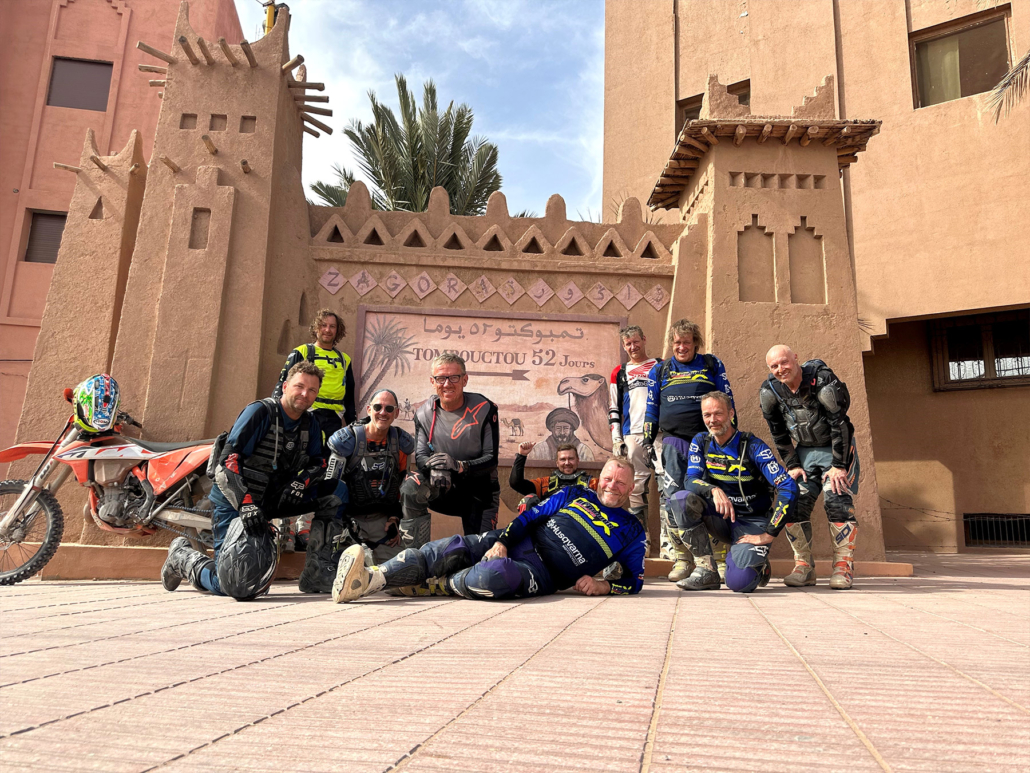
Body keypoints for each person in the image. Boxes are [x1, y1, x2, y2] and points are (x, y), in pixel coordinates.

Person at [331, 457, 646, 603]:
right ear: (599, 479)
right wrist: (504, 542)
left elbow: (635, 582)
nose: (611, 486)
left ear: (632, 488)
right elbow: (530, 517)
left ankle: (433, 584)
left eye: (620, 482)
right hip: (518, 540)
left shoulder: (633, 531)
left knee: (494, 576)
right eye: (608, 478)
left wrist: (604, 586)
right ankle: (370, 579)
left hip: (542, 574)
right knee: (450, 548)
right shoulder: (576, 493)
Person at [161, 362, 340, 600]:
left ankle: (317, 572)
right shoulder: (260, 412)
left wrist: (301, 483)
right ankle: (182, 557)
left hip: (270, 501)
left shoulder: (311, 423)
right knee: (236, 585)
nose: (305, 394)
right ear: (285, 386)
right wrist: (245, 504)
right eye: (300, 386)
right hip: (235, 501)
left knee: (334, 496)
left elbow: (319, 463)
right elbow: (228, 462)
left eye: (312, 390)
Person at [668, 391, 797, 593]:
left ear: (731, 414)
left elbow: (788, 486)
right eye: (707, 415)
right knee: (680, 500)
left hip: (752, 521)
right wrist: (713, 489)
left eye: (718, 413)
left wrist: (769, 534)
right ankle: (707, 570)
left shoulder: (753, 446)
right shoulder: (701, 441)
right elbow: (690, 480)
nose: (712, 420)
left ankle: (757, 564)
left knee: (739, 583)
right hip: (720, 517)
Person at [760, 345, 859, 590]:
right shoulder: (770, 391)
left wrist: (839, 465)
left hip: (836, 450)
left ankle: (843, 567)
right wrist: (792, 464)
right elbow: (778, 431)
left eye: (784, 362)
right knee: (793, 502)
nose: (780, 369)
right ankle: (803, 567)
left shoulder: (822, 381)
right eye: (774, 366)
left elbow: (840, 424)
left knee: (836, 501)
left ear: (796, 359)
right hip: (805, 452)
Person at [643, 319, 735, 582]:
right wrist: (647, 441)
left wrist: (731, 437)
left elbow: (728, 401)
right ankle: (683, 559)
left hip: (708, 442)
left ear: (696, 343)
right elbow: (651, 407)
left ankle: (719, 560)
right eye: (677, 343)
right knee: (674, 500)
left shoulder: (711, 364)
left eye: (686, 342)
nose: (681, 347)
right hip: (673, 443)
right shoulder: (660, 370)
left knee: (712, 495)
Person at [399, 353, 500, 548]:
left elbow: (491, 458)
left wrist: (459, 465)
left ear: (465, 380)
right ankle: (415, 555)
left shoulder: (484, 408)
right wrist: (435, 465)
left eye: (454, 377)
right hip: (443, 486)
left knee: (480, 552)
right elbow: (420, 457)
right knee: (411, 485)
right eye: (441, 378)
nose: (447, 384)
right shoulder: (423, 413)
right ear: (432, 381)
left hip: (480, 490)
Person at [325, 389, 413, 564]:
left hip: (381, 521)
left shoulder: (400, 443)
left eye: (389, 409)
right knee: (341, 568)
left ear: (396, 413)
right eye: (378, 407)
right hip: (347, 521)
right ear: (369, 409)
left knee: (403, 568)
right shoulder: (348, 441)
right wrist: (340, 524)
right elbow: (331, 488)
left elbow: (403, 486)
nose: (383, 412)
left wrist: (395, 517)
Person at [608, 324, 662, 552]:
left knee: (666, 485)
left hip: (659, 434)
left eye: (636, 342)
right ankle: (643, 540)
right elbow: (613, 407)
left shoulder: (660, 365)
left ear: (644, 339)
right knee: (637, 487)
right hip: (632, 434)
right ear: (624, 346)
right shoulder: (619, 372)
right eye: (628, 344)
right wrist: (616, 438)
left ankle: (669, 542)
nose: (633, 347)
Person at [274, 309, 356, 440]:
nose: (327, 330)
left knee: (329, 452)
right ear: (316, 327)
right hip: (306, 413)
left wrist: (353, 425)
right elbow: (282, 383)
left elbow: (349, 396)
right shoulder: (302, 352)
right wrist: (275, 415)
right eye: (323, 325)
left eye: (332, 326)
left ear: (337, 330)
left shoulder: (345, 359)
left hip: (334, 418)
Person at [509, 441, 597, 505]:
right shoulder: (545, 483)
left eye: (571, 459)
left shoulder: (591, 483)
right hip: (551, 524)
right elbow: (516, 483)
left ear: (577, 461)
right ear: (557, 463)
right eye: (563, 459)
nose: (567, 463)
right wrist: (522, 456)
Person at [527, 407, 594, 462]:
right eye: (558, 428)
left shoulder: (584, 451)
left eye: (565, 428)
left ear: (571, 430)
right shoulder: (539, 450)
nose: (562, 432)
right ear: (552, 429)